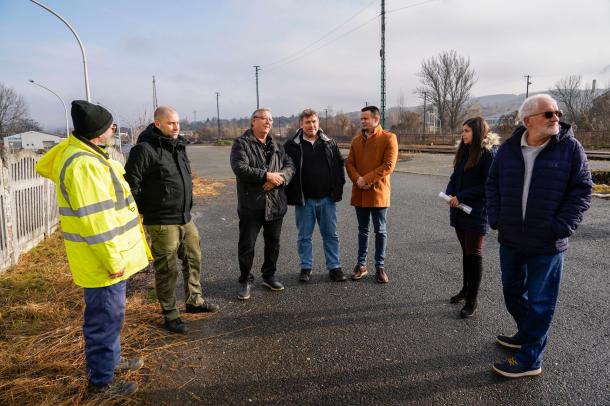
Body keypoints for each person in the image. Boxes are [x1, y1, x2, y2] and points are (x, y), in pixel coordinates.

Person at [35, 100, 151, 396]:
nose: (114, 130)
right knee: (104, 319)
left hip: (103, 258)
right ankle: (102, 382)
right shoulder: (84, 165)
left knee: (112, 316)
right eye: (111, 126)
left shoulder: (86, 155)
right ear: (99, 132)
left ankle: (111, 362)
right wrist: (114, 260)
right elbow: (96, 223)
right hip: (102, 262)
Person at [486, 94, 592, 378]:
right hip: (510, 238)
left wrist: (562, 226)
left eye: (557, 113)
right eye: (548, 114)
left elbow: (582, 190)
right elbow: (492, 183)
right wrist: (495, 217)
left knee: (541, 301)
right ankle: (527, 334)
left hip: (547, 242)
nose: (556, 118)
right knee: (511, 291)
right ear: (527, 120)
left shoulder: (570, 148)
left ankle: (531, 358)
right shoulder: (508, 149)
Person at [124, 106, 219, 335]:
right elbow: (131, 185)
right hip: (162, 221)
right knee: (167, 269)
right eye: (171, 123)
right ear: (157, 124)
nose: (176, 127)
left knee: (193, 258)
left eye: (178, 123)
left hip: (185, 218)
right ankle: (169, 313)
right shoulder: (144, 150)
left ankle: (194, 301)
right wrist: (148, 210)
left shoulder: (179, 146)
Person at [230, 108, 295, 300]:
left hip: (275, 203)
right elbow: (240, 168)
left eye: (271, 120)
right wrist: (266, 176)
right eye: (264, 119)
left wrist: (279, 177)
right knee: (247, 245)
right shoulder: (241, 144)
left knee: (273, 243)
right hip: (252, 204)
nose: (268, 122)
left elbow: (290, 166)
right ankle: (245, 280)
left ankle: (269, 276)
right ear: (253, 122)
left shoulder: (277, 145)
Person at [444, 117, 499, 318]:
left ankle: (472, 300)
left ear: (477, 132)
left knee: (474, 255)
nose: (462, 134)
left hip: (476, 211)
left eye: (466, 131)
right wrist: (450, 193)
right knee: (466, 253)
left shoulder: (488, 155)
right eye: (462, 130)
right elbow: (453, 178)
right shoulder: (464, 152)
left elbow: (487, 185)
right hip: (459, 209)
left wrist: (461, 196)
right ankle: (466, 289)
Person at [285, 109, 347, 283]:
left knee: (331, 235)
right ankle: (306, 268)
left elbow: (339, 166)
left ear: (318, 123)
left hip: (327, 199)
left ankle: (334, 267)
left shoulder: (329, 143)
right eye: (307, 122)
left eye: (314, 122)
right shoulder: (292, 146)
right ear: (301, 124)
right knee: (304, 237)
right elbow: (284, 168)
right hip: (304, 201)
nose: (311, 125)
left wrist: (338, 189)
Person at [345, 105, 398, 283]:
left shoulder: (389, 138)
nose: (362, 121)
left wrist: (365, 179)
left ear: (376, 119)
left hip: (378, 193)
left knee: (380, 231)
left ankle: (380, 268)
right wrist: (358, 179)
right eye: (361, 119)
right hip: (360, 192)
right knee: (362, 231)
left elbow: (388, 165)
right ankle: (361, 266)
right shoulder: (355, 141)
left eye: (365, 118)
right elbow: (349, 164)